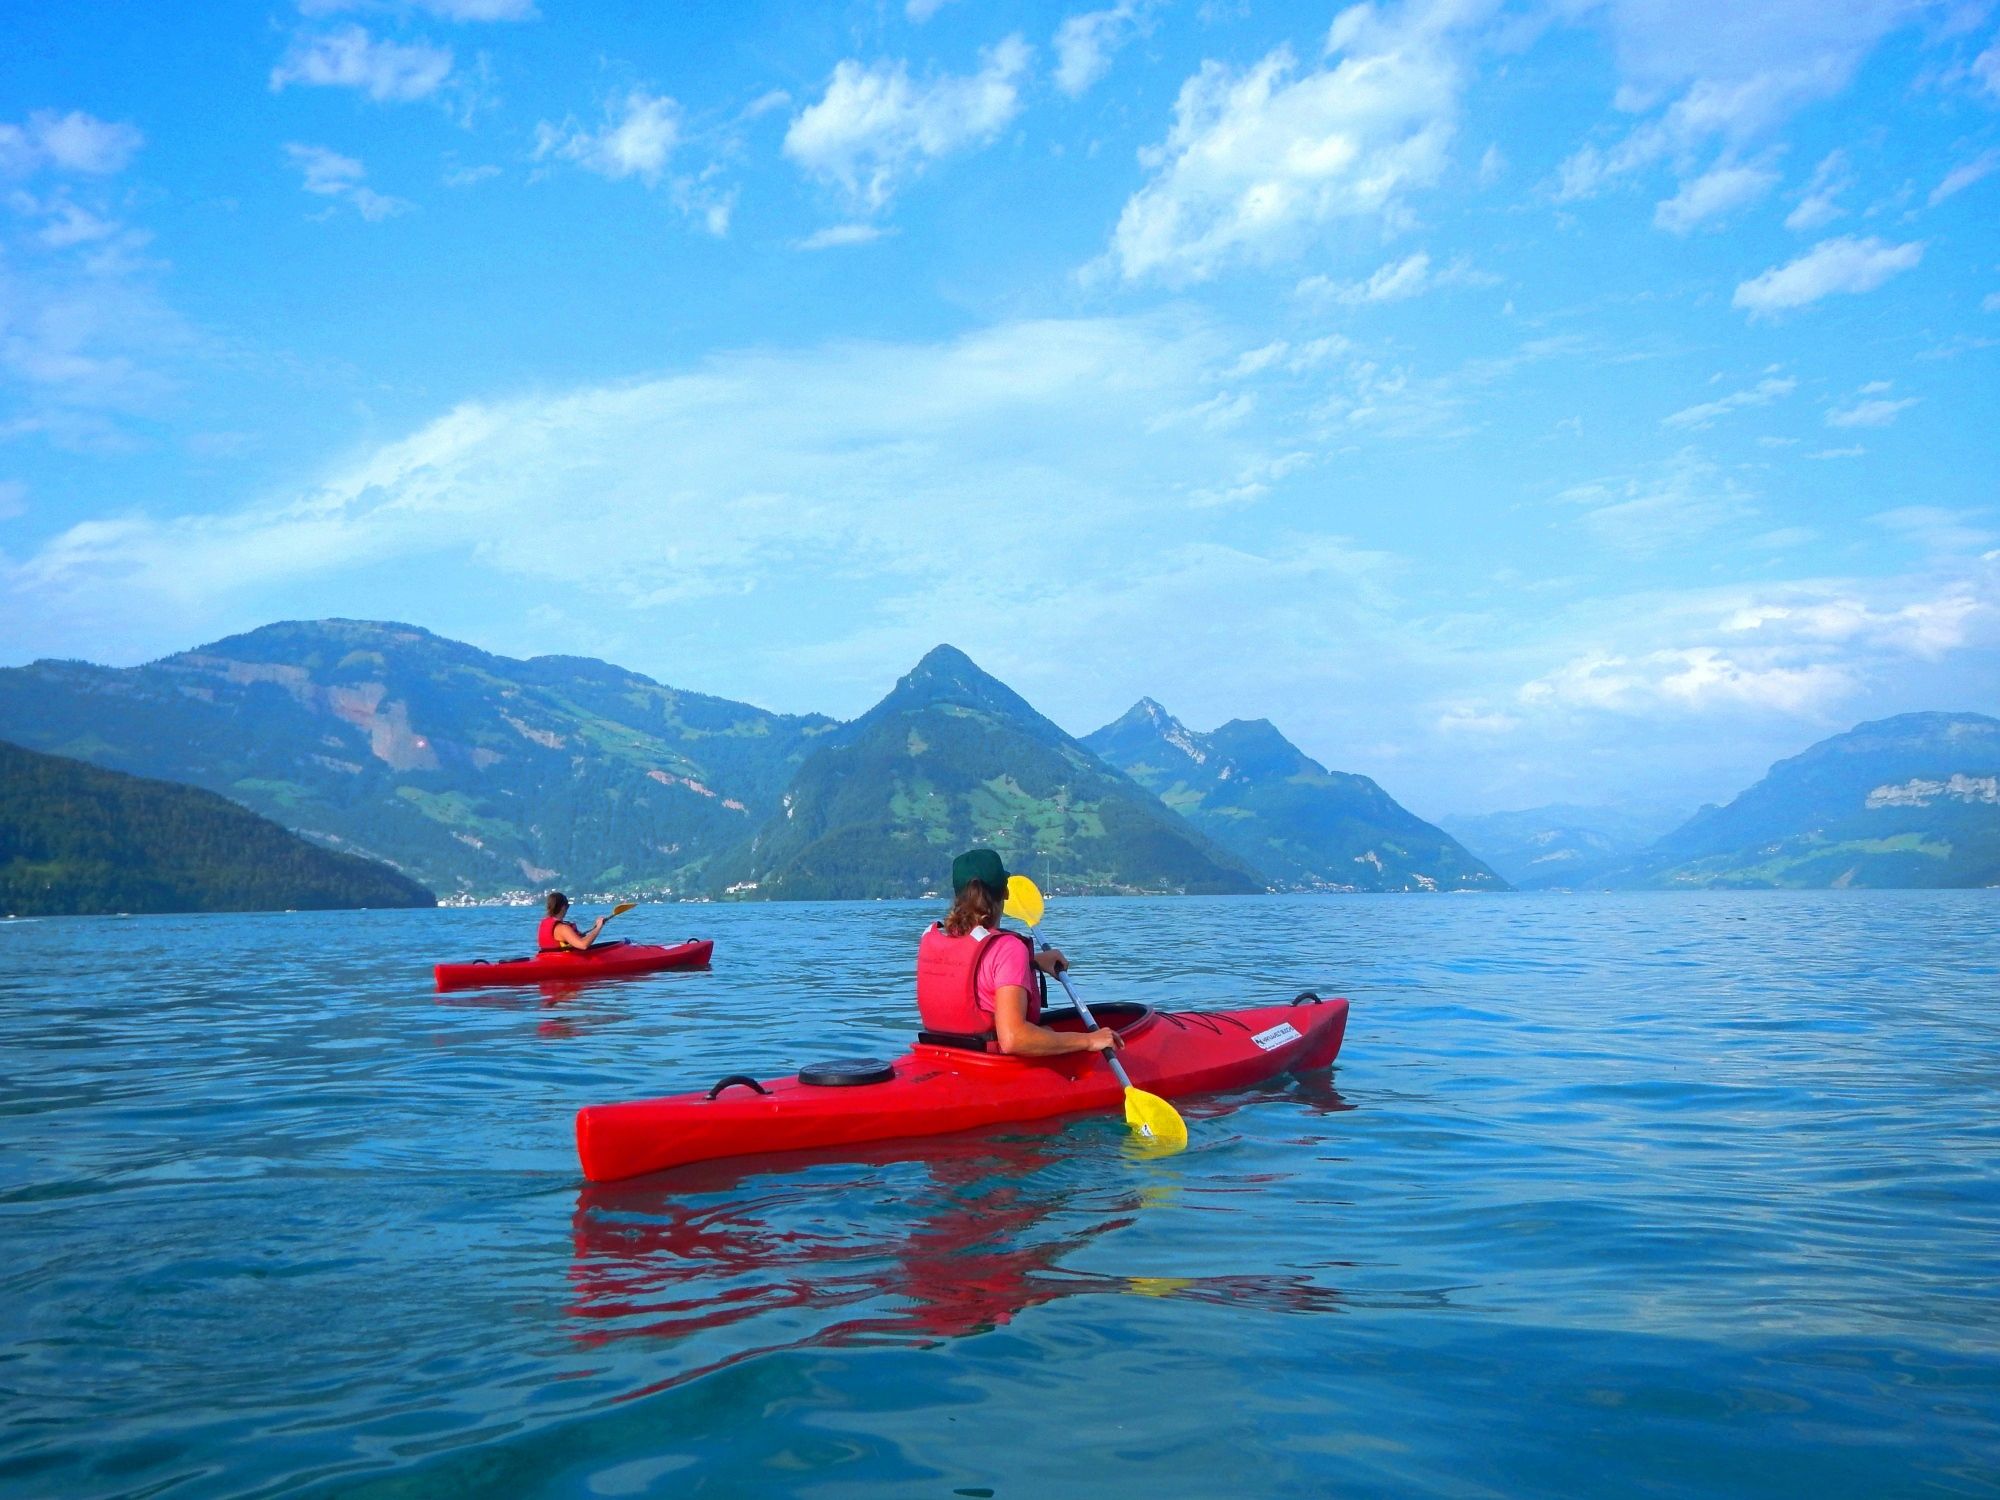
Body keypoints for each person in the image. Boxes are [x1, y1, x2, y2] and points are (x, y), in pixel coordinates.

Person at [916, 848, 1120, 1057]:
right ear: (1005, 892)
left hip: (940, 1054)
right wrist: (1088, 1040)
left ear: (957, 895)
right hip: (990, 1064)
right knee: (1045, 1034)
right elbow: (1014, 1039)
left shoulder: (944, 937)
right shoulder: (1009, 949)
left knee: (1046, 1032)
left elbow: (975, 968)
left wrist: (1033, 961)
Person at [539, 891, 606, 952]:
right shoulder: (562, 928)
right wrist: (598, 928)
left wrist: (577, 935)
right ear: (563, 907)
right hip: (562, 961)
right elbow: (583, 945)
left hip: (548, 958)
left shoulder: (544, 923)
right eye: (568, 906)